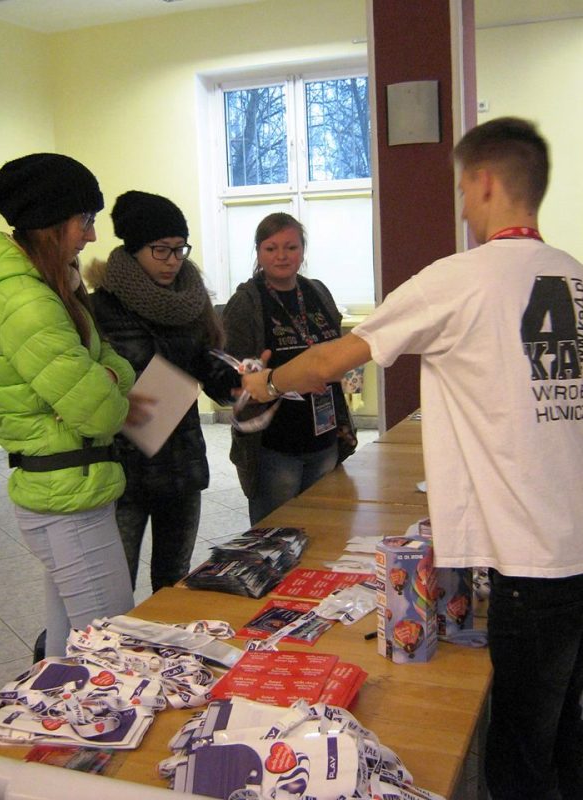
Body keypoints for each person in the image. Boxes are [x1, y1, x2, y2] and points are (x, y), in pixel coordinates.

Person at [242, 118, 583, 800]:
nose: (462, 206)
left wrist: (266, 383)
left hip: (532, 557)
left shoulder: (458, 279)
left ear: (484, 183)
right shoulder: (573, 275)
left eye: (462, 189)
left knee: (519, 750)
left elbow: (331, 361)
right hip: (571, 539)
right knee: (566, 728)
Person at [0, 153, 140, 657]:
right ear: (50, 223)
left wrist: (107, 376)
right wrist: (109, 383)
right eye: (85, 220)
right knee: (111, 651)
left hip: (67, 487)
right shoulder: (28, 303)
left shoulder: (49, 288)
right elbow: (102, 411)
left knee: (65, 647)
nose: (91, 236)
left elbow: (112, 362)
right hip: (67, 499)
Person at [86, 190, 240, 592]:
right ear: (134, 248)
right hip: (124, 472)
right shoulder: (99, 309)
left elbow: (207, 365)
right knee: (115, 585)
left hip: (181, 467)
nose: (173, 260)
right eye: (161, 250)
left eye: (180, 249)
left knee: (174, 583)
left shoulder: (190, 302)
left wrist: (242, 381)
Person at [222, 212, 354, 525]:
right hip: (275, 446)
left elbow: (335, 350)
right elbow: (232, 377)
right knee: (276, 537)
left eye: (291, 247)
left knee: (321, 531)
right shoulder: (246, 303)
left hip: (324, 438)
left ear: (302, 251)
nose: (281, 256)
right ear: (258, 253)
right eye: (271, 248)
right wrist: (275, 377)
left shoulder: (317, 292)